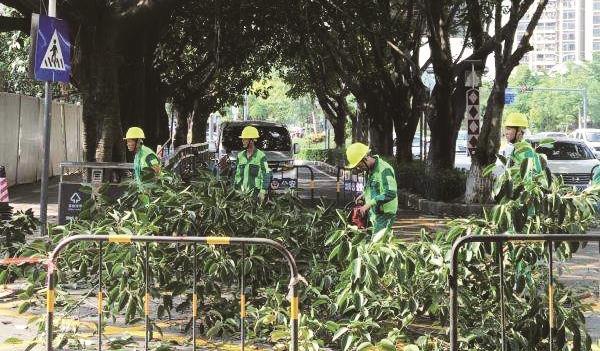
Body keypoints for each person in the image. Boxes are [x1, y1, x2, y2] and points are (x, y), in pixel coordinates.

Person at [346, 142, 398, 234]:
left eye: (360, 166)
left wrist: (368, 205)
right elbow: (374, 188)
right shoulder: (370, 170)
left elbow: (390, 193)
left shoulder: (384, 169)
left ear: (365, 158)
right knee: (370, 241)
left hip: (385, 214)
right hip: (375, 213)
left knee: (376, 244)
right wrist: (363, 195)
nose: (360, 169)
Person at [495, 112, 543, 177]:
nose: (506, 133)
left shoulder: (525, 150)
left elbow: (531, 176)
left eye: (509, 129)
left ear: (520, 131)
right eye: (505, 129)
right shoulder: (515, 148)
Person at [234, 126, 270, 199]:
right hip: (240, 194)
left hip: (255, 195)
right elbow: (236, 175)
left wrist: (263, 191)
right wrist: (235, 189)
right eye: (243, 139)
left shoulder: (261, 156)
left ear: (252, 140)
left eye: (245, 139)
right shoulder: (239, 156)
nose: (242, 141)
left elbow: (266, 174)